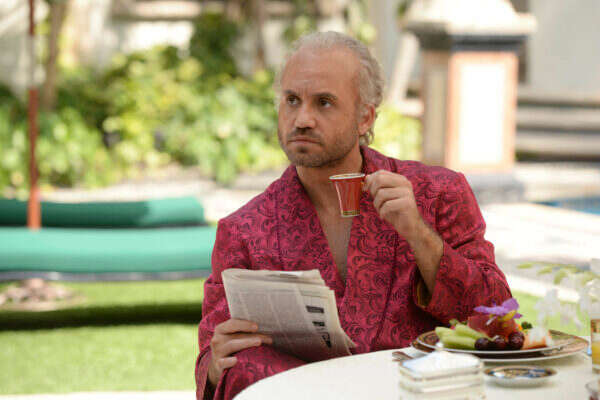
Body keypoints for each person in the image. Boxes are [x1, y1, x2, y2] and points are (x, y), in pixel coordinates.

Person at [195, 31, 511, 400]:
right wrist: (216, 362)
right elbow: (212, 362)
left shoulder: (438, 193)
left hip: (415, 391)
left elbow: (497, 317)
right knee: (241, 365)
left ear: (365, 117)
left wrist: (418, 234)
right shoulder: (244, 230)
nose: (302, 119)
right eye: (292, 100)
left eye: (324, 102)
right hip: (305, 394)